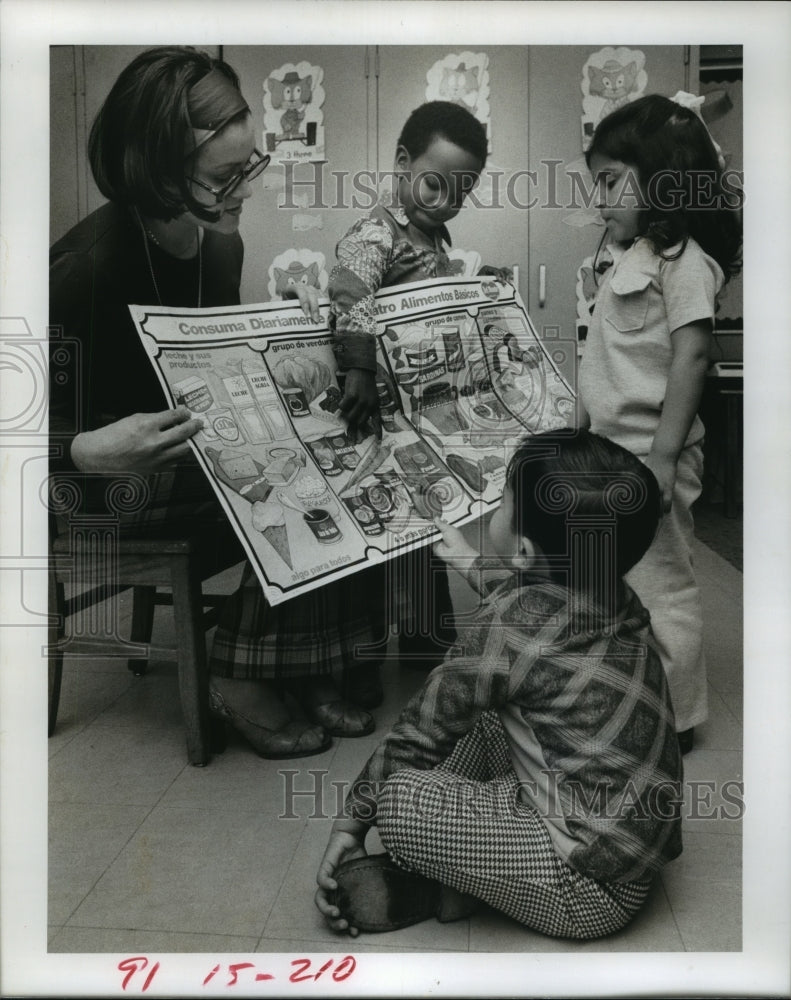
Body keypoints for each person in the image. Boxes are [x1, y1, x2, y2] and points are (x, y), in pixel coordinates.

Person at [49, 46, 379, 761]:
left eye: (248, 166)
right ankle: (238, 674)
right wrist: (84, 449)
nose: (245, 191)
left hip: (183, 452)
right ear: (155, 168)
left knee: (345, 443)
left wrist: (282, 353)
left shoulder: (215, 249)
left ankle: (301, 659)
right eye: (225, 176)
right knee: (292, 472)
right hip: (90, 481)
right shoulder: (82, 272)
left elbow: (206, 378)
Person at [315, 430, 683, 940]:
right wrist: (468, 559)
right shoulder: (611, 592)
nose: (496, 507)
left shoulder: (507, 631)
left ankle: (463, 884)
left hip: (586, 889)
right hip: (630, 850)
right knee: (489, 708)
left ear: (525, 550)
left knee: (398, 798)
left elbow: (417, 733)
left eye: (504, 500)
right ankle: (472, 873)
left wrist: (350, 826)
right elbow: (540, 609)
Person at [577, 93, 742, 753]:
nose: (600, 199)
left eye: (611, 180)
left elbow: (691, 356)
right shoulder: (629, 255)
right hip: (607, 452)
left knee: (660, 581)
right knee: (611, 581)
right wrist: (574, 424)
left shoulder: (685, 263)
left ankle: (675, 716)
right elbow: (600, 353)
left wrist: (665, 456)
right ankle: (621, 698)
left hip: (650, 453)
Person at [327, 101, 489, 684]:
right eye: (435, 183)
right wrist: (360, 371)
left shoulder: (434, 239)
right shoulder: (377, 231)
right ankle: (359, 665)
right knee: (373, 541)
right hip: (374, 413)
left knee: (426, 532)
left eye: (461, 191)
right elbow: (350, 291)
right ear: (401, 162)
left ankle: (428, 649)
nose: (446, 200)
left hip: (420, 420)